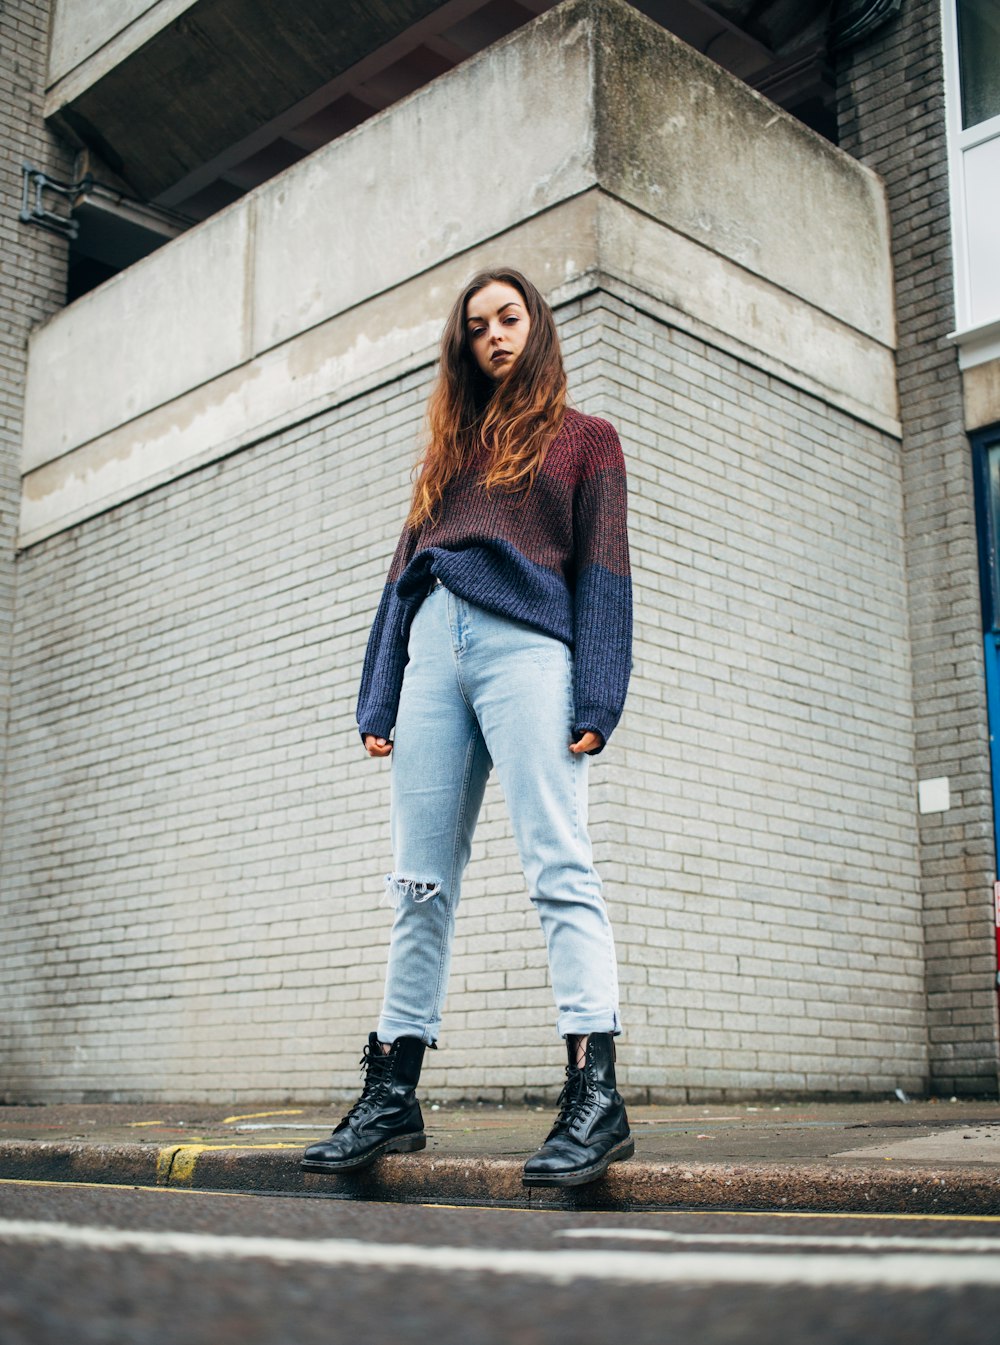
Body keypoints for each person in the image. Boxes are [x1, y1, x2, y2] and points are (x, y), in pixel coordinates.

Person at [301, 267, 633, 1188]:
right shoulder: (446, 461)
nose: (494, 335)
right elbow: (401, 578)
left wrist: (599, 696)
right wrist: (379, 696)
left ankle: (595, 1090)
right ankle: (394, 1090)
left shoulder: (585, 442)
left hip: (530, 650)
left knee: (558, 861)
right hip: (431, 659)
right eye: (478, 325)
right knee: (417, 883)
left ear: (537, 326)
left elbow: (604, 574)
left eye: (509, 318)